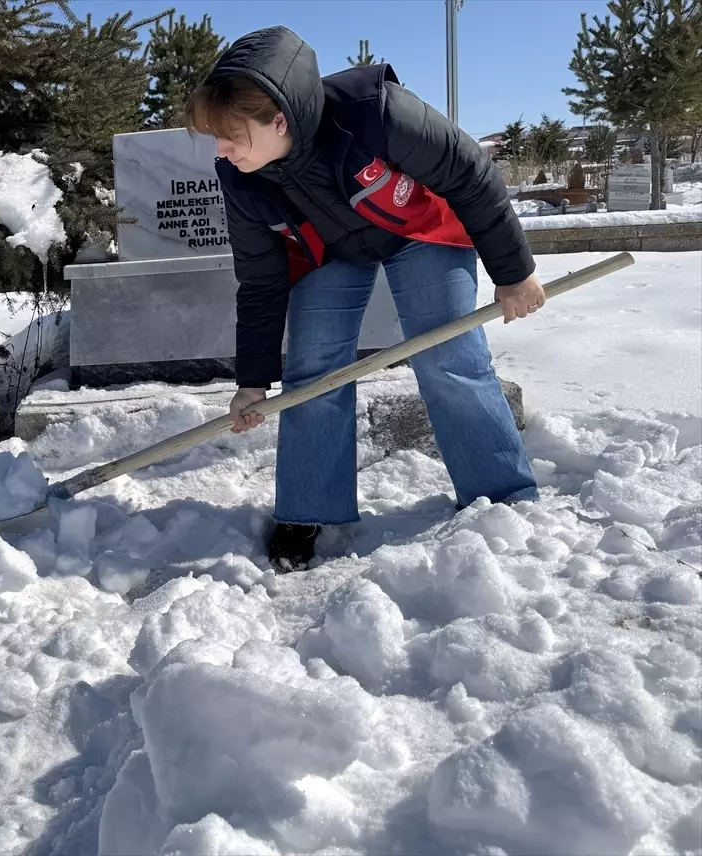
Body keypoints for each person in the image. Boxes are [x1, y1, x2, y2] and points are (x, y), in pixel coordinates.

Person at [184, 26, 545, 572]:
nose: (221, 151)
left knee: (448, 354)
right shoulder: (241, 178)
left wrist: (515, 274)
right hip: (335, 252)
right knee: (313, 369)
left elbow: (469, 171)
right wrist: (251, 382)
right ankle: (307, 507)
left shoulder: (372, 111)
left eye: (231, 136)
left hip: (419, 232)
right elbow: (260, 280)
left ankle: (501, 494)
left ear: (278, 120)